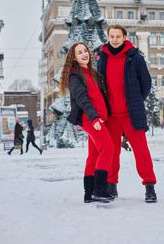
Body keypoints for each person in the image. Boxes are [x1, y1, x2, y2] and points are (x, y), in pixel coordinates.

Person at [97, 24, 157, 203]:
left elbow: (146, 83)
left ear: (124, 37)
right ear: (108, 37)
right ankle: (111, 186)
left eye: (118, 36)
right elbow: (100, 84)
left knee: (141, 151)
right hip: (111, 117)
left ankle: (150, 187)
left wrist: (135, 101)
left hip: (131, 115)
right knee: (112, 153)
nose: (114, 39)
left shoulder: (135, 57)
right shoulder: (102, 58)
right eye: (112, 36)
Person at [59, 42, 115, 203]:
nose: (84, 54)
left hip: (99, 119)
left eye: (85, 50)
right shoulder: (75, 75)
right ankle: (99, 189)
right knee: (108, 148)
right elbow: (82, 98)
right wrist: (94, 117)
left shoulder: (91, 73)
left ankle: (89, 193)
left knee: (94, 154)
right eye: (79, 52)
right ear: (74, 58)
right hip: (90, 119)